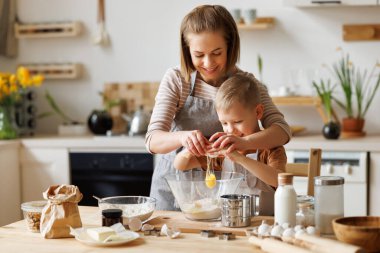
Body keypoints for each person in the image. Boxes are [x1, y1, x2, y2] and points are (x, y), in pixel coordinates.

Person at [146, 5, 291, 210]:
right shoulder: (178, 80)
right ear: (187, 50)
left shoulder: (245, 85)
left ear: (230, 46)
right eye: (198, 54)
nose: (208, 62)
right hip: (172, 193)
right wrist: (182, 138)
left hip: (218, 199)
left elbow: (282, 131)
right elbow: (152, 140)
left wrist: (242, 143)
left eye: (216, 52)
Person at [174, 74, 287, 199]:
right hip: (229, 217)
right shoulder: (223, 148)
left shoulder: (271, 147)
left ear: (258, 112)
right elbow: (180, 165)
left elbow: (279, 180)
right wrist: (190, 150)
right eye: (224, 123)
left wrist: (240, 158)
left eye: (238, 122)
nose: (230, 130)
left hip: (266, 218)